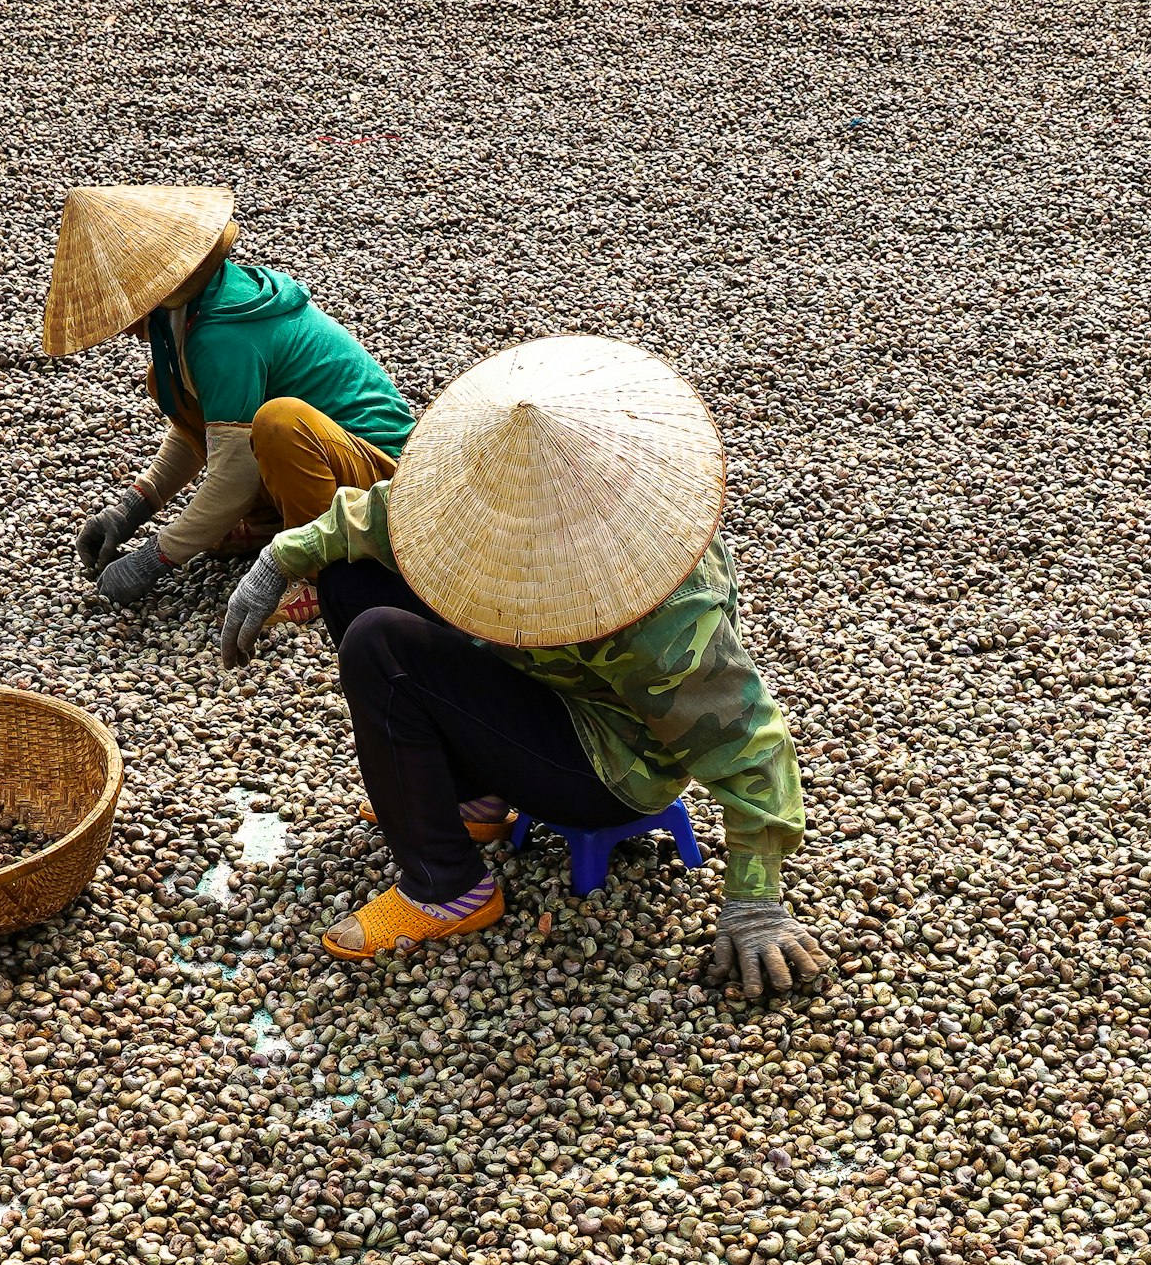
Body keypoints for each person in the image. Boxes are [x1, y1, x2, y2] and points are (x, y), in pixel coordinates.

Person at [212, 335, 827, 997]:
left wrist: (754, 902)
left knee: (380, 646)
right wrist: (284, 556)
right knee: (350, 578)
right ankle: (469, 795)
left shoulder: (662, 607)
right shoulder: (492, 496)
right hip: (539, 676)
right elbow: (391, 517)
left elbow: (752, 744)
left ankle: (445, 885)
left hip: (608, 757)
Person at [41, 185, 416, 604]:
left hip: (385, 487)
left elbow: (233, 472)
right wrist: (133, 507)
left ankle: (318, 577)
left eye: (122, 308)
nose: (121, 327)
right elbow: (211, 430)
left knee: (281, 423)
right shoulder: (188, 311)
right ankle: (269, 522)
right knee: (164, 383)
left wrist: (155, 557)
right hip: (330, 462)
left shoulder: (220, 336)